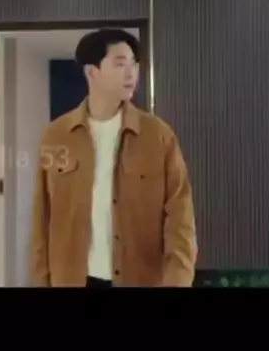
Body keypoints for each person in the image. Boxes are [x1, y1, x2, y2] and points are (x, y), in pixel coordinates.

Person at [31, 28, 197, 287]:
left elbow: (180, 218)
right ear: (91, 72)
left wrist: (177, 280)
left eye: (134, 64)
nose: (131, 73)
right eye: (120, 64)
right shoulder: (56, 135)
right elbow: (42, 218)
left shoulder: (158, 136)